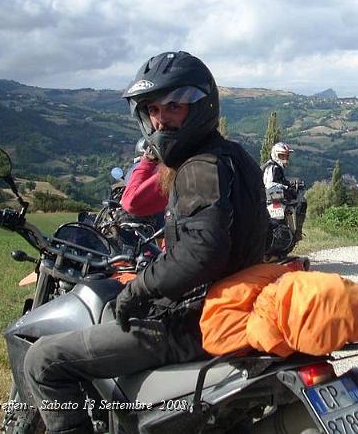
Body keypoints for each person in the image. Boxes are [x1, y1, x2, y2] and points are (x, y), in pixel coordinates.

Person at [22, 51, 269, 434]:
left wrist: (139, 289)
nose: (160, 118)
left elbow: (202, 251)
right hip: (232, 309)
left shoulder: (197, 167)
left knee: (43, 361)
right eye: (153, 109)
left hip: (189, 326)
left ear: (201, 106)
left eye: (174, 106)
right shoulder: (236, 158)